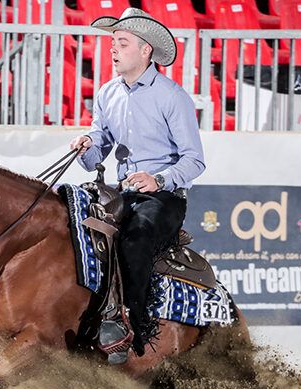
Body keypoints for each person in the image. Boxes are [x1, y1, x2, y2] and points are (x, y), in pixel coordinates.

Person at [70, 8, 206, 362]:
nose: (113, 50)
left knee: (135, 239)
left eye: (122, 43)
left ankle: (134, 324)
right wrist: (87, 143)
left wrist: (158, 178)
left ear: (145, 50)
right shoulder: (107, 93)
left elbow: (195, 160)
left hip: (164, 198)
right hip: (122, 194)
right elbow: (100, 141)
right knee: (71, 230)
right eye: (113, 43)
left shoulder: (172, 97)